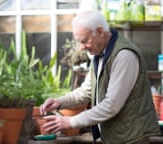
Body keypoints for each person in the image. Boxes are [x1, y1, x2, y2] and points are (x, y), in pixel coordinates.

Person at [40, 10, 160, 144]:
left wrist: (70, 122)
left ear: (100, 32)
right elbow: (87, 91)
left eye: (84, 41)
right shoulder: (99, 55)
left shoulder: (124, 55)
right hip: (115, 137)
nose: (81, 48)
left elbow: (111, 105)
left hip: (131, 139)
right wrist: (60, 102)